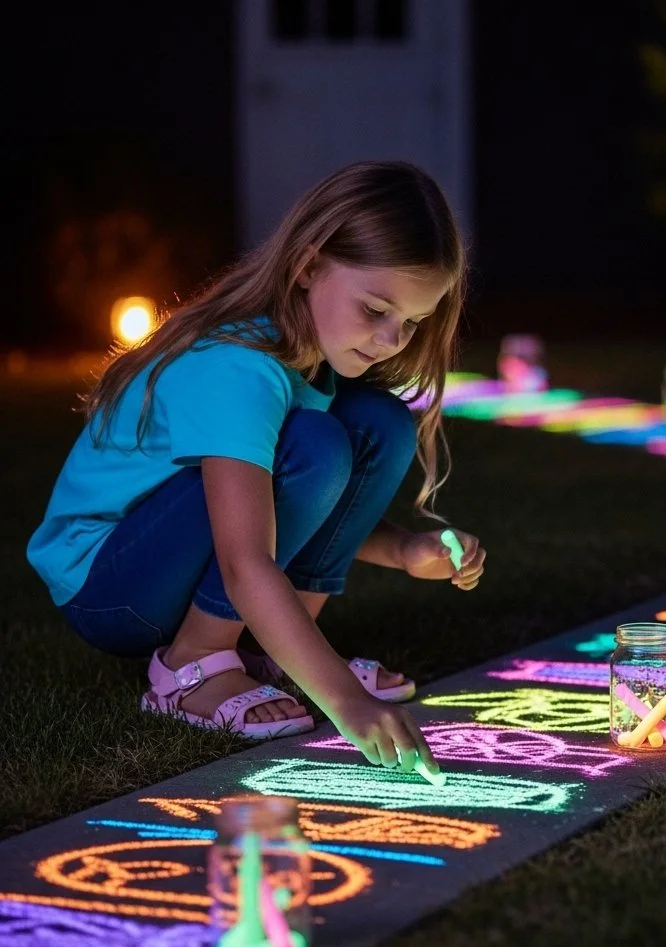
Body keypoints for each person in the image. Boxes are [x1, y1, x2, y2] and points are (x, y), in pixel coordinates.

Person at [26, 161, 486, 775]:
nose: (391, 339)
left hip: (176, 562)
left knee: (380, 423)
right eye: (376, 309)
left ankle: (275, 655)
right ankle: (192, 665)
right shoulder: (240, 367)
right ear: (307, 265)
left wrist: (403, 550)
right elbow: (245, 557)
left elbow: (281, 508)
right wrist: (346, 702)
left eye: (412, 322)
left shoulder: (312, 360)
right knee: (316, 444)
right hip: (109, 587)